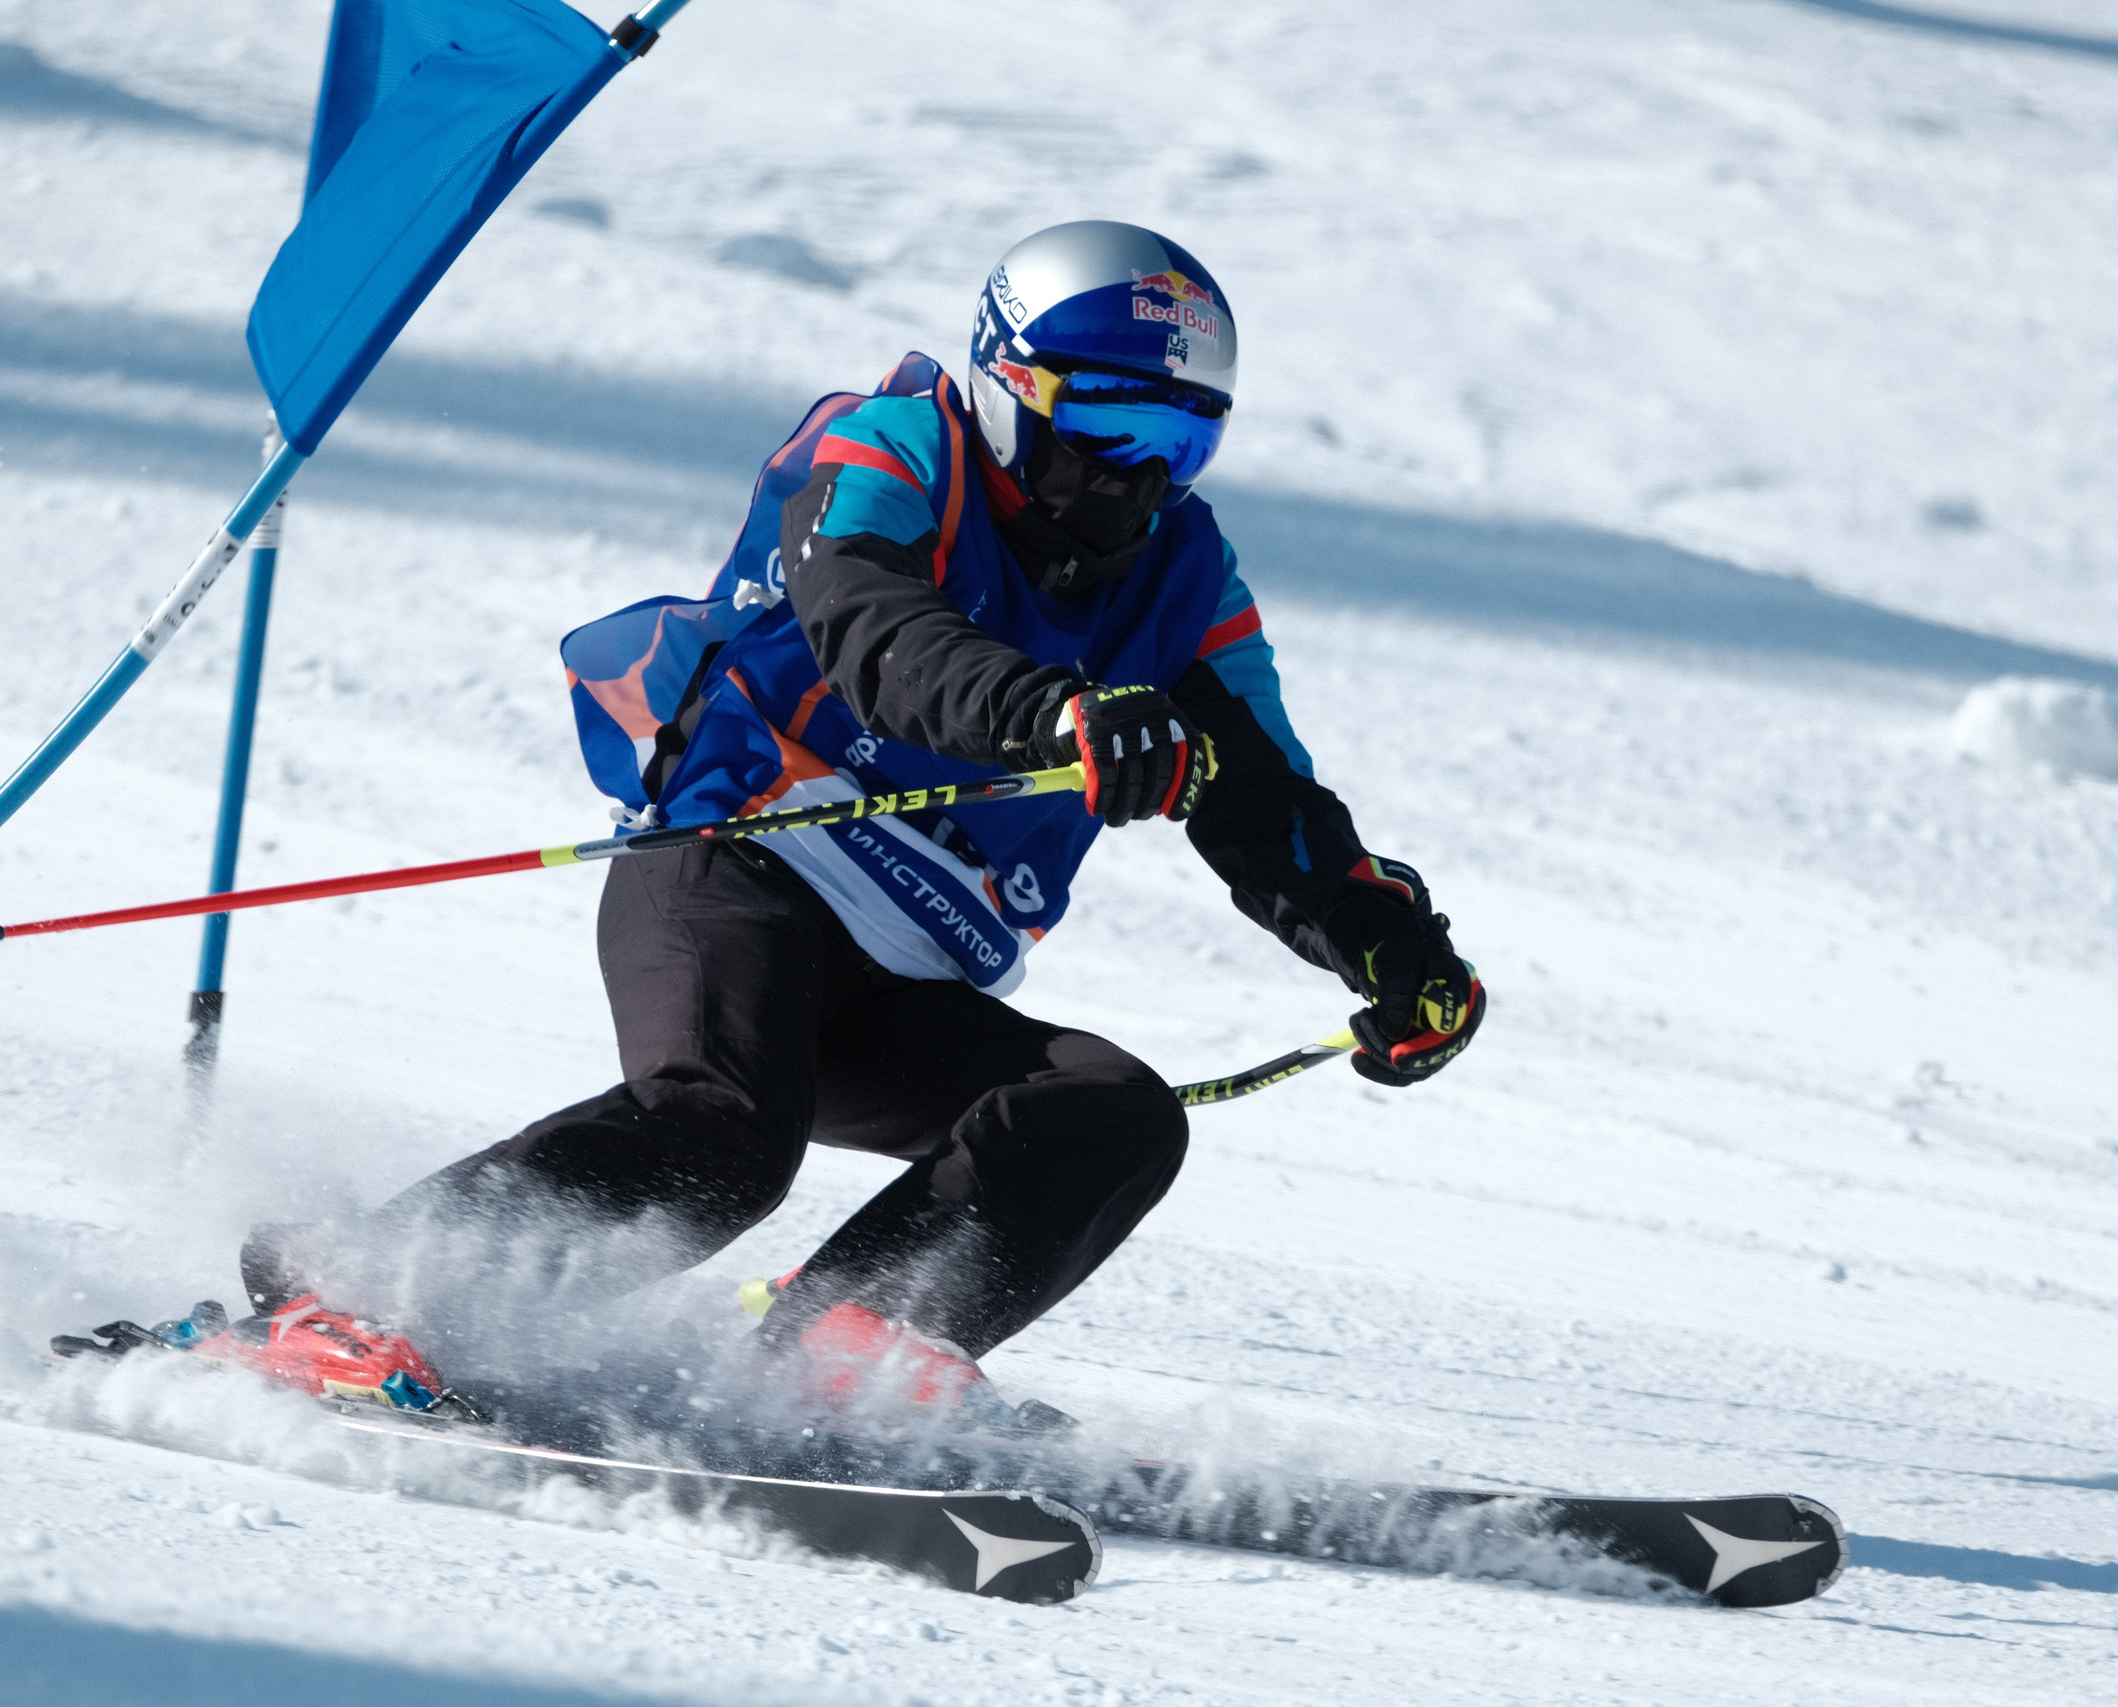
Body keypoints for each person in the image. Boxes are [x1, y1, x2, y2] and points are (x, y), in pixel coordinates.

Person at [164, 222, 1482, 1425]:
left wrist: (1385, 941)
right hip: (746, 861)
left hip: (912, 959)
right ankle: (353, 1295)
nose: (1135, 477)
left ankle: (836, 1360)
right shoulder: (892, 448)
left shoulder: (1184, 577)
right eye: (1111, 425)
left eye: (1180, 442)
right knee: (723, 1138)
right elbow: (874, 632)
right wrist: (1056, 717)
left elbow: (1267, 800)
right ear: (1007, 384)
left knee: (1109, 1111)